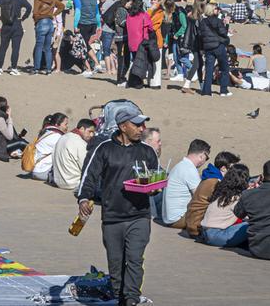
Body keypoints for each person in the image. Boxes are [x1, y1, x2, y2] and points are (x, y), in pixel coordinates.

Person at [76, 103, 158, 306]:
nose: (142, 129)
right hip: (112, 217)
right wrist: (84, 199)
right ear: (123, 126)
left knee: (135, 259)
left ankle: (131, 299)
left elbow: (156, 178)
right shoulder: (104, 149)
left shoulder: (147, 152)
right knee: (115, 264)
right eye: (137, 125)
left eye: (143, 125)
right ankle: (120, 296)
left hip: (140, 216)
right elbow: (89, 177)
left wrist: (155, 188)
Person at [199, 164, 251, 248]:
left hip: (205, 233)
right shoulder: (236, 198)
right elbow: (248, 215)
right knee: (252, 225)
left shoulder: (220, 193)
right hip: (218, 236)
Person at [160, 139, 211, 226]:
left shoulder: (181, 165)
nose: (205, 161)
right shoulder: (189, 169)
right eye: (207, 158)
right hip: (178, 219)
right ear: (202, 155)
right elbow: (200, 197)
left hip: (169, 218)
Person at [51, 118, 96, 190]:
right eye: (90, 131)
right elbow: (86, 167)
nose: (92, 135)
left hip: (58, 181)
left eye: (93, 132)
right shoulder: (80, 143)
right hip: (72, 183)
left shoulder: (64, 137)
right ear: (81, 129)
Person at [32, 0, 65, 75]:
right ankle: (48, 69)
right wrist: (54, 14)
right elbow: (62, 6)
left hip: (41, 21)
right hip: (50, 23)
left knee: (39, 46)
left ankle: (36, 69)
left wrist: (36, 22)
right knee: (47, 48)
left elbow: (35, 12)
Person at [28, 113, 68, 181]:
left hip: (35, 170)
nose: (67, 127)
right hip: (42, 172)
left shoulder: (47, 132)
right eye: (65, 124)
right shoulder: (56, 136)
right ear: (57, 125)